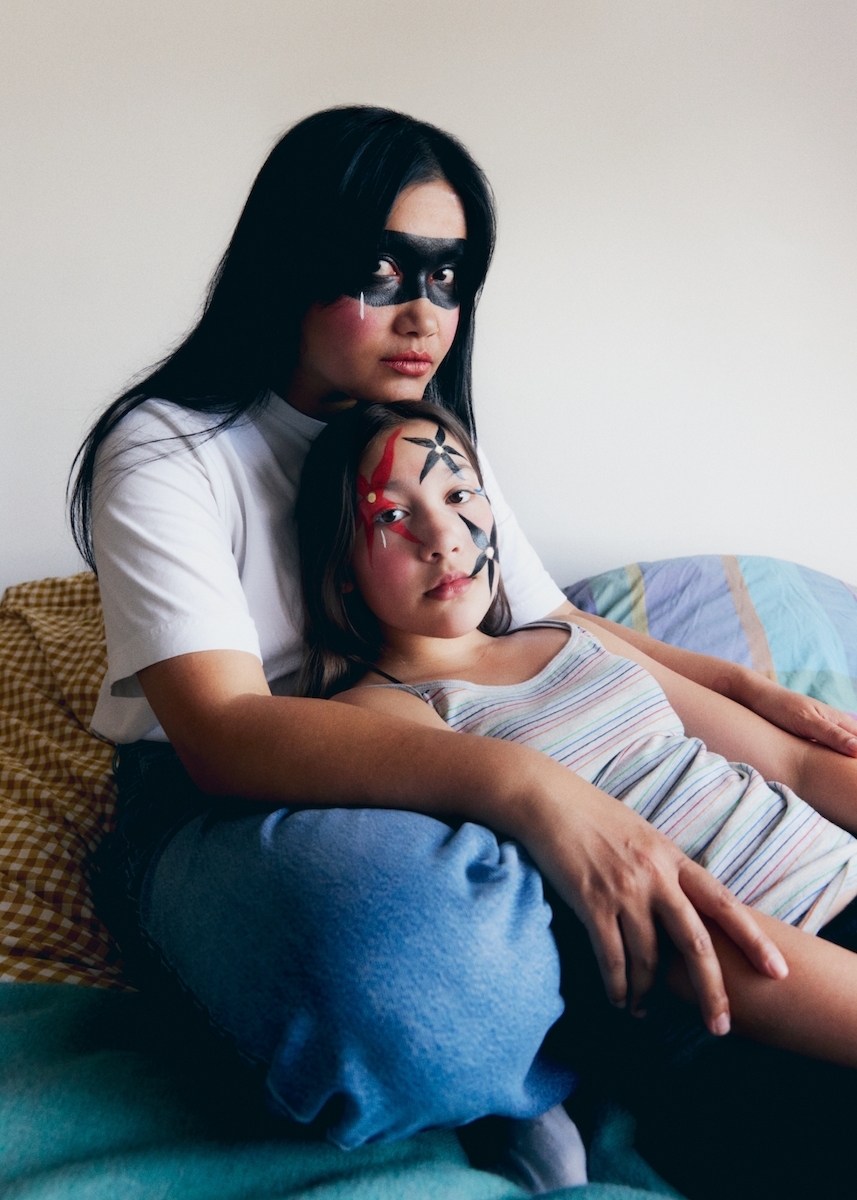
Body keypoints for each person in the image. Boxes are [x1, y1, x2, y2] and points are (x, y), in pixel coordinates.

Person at [70, 106, 857, 1194]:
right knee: (407, 956)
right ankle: (537, 1076)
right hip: (236, 791)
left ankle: (563, 1056)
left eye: (447, 278)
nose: (423, 314)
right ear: (291, 261)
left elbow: (547, 621)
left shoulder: (421, 434)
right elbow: (224, 731)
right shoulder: (168, 444)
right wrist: (533, 791)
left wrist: (739, 690)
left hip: (437, 761)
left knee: (523, 922)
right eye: (381, 272)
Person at [296, 397, 857, 1193]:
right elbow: (650, 930)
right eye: (391, 514)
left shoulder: (570, 636)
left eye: (458, 495)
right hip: (735, 1008)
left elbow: (791, 763)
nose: (442, 536)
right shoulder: (383, 715)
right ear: (341, 566)